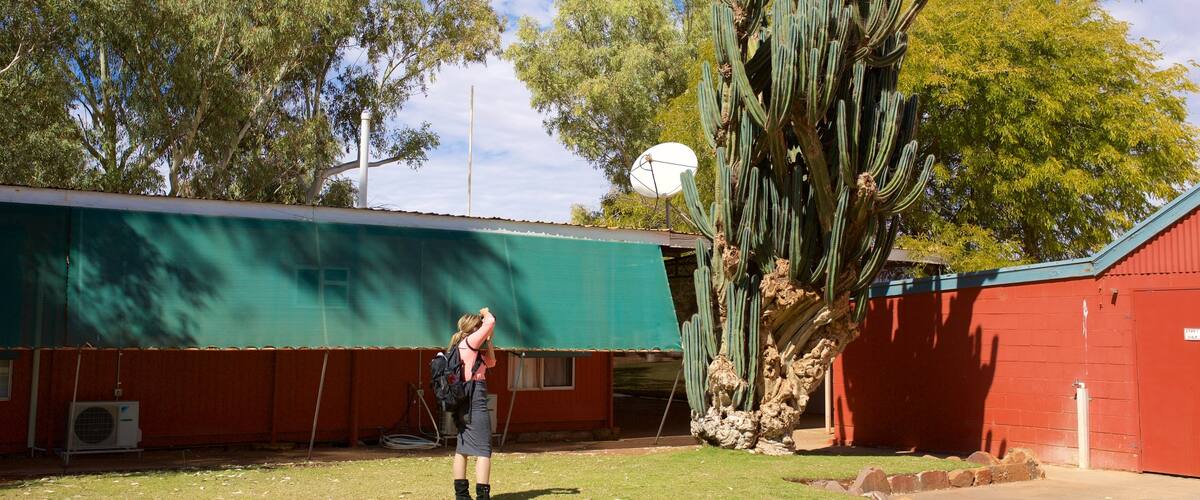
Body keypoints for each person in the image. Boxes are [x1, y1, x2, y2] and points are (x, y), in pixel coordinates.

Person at [449, 307, 497, 500]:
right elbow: (490, 321)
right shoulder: (470, 342)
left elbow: (491, 362)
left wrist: (489, 341)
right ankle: (482, 496)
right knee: (484, 448)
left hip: (462, 400)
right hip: (474, 399)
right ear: (474, 328)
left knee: (463, 448)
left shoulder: (463, 346)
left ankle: (461, 495)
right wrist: (485, 313)